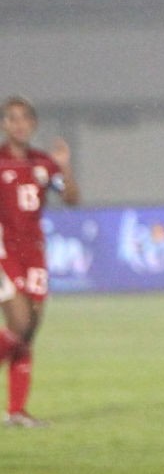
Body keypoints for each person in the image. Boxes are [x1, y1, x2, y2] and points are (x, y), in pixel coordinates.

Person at [1, 95, 79, 428]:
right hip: (4, 251)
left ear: (33, 124)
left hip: (34, 253)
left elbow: (71, 199)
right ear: (5, 125)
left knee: (28, 331)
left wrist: (64, 166)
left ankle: (17, 411)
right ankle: (16, 411)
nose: (19, 124)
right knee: (19, 324)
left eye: (24, 119)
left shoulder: (44, 164)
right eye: (12, 118)